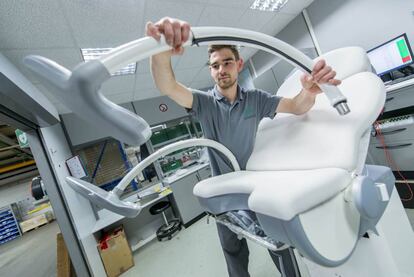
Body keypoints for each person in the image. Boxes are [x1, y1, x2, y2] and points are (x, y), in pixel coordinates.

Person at [146, 17, 341, 277]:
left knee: (278, 244)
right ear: (210, 71)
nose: (221, 69)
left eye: (227, 62)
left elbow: (296, 106)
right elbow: (167, 85)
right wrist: (160, 50)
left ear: (239, 64)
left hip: (256, 186)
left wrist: (308, 91)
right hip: (223, 191)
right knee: (233, 251)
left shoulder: (255, 100)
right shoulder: (204, 104)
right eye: (215, 65)